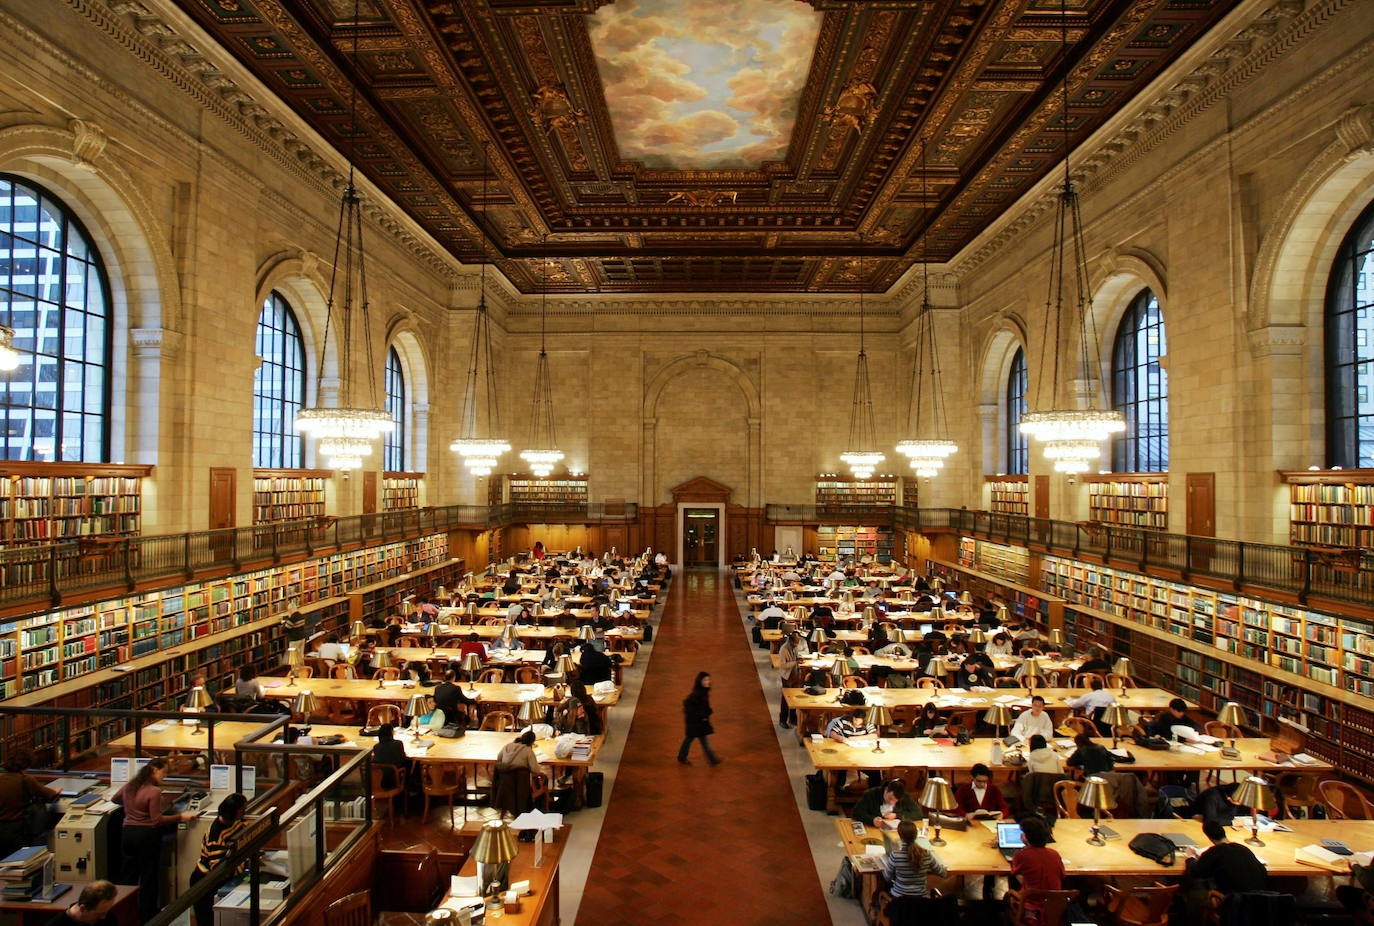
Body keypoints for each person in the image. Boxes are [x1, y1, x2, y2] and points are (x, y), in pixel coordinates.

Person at [118, 757, 196, 924]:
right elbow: (156, 821)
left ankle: (124, 913)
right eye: (163, 772)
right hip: (146, 836)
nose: (164, 776)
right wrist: (181, 816)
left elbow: (114, 799)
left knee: (128, 875)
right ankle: (148, 916)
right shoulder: (154, 791)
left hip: (127, 834)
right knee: (149, 877)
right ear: (154, 770)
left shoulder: (129, 786)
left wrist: (130, 809)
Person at [188, 793, 248, 926]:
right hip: (205, 882)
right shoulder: (216, 835)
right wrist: (243, 865)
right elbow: (219, 869)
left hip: (224, 878)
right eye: (242, 810)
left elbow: (246, 837)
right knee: (208, 921)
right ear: (233, 812)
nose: (245, 812)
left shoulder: (238, 821)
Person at [883, 820, 949, 924]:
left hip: (899, 903)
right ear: (916, 835)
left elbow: (886, 877)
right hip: (921, 903)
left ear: (900, 837)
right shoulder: (926, 854)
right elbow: (943, 873)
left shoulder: (896, 855)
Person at [1184, 817, 1269, 895]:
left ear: (1210, 838)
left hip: (1232, 903)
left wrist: (1190, 858)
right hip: (1258, 903)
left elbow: (1196, 872)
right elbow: (1263, 871)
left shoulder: (1215, 852)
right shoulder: (1243, 849)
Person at [0, 749, 57, 858]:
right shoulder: (25, 780)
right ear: (26, 764)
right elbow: (50, 794)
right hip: (17, 829)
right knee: (18, 861)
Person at [1010, 815, 1065, 901]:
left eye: (1023, 833)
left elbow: (1014, 872)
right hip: (1054, 904)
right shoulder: (1055, 854)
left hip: (1030, 902)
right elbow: (1062, 875)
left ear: (1027, 837)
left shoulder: (1021, 855)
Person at [493, 730, 545, 817]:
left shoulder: (507, 746)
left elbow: (499, 759)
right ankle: (540, 807)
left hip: (504, 783)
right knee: (543, 779)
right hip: (521, 786)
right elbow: (535, 770)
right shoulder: (528, 750)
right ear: (532, 742)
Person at [678, 672, 720, 765]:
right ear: (700, 681)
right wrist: (703, 715)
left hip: (697, 722)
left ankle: (682, 757)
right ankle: (712, 760)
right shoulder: (697, 693)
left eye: (708, 679)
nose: (707, 682)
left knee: (691, 739)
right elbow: (688, 704)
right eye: (705, 680)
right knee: (700, 740)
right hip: (696, 722)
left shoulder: (703, 691)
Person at [852, 779, 922, 829]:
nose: (891, 803)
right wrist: (872, 820)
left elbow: (918, 814)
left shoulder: (905, 797)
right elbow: (856, 812)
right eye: (890, 798)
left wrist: (897, 815)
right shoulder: (870, 794)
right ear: (886, 790)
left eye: (895, 801)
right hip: (872, 829)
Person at [44, 880, 119, 926]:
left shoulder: (109, 918)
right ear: (83, 908)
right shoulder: (56, 924)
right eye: (99, 914)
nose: (103, 917)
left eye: (106, 911)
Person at [371, 724, 408, 790]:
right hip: (395, 778)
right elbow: (403, 760)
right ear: (391, 733)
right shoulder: (398, 744)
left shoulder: (376, 747)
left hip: (380, 779)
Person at [778, 632, 801, 729]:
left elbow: (796, 656)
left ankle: (792, 718)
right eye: (796, 642)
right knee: (786, 698)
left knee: (794, 697)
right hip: (787, 676)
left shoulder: (794, 647)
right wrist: (795, 662)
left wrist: (799, 659)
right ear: (791, 640)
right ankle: (782, 720)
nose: (798, 643)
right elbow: (783, 665)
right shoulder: (784, 649)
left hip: (795, 675)